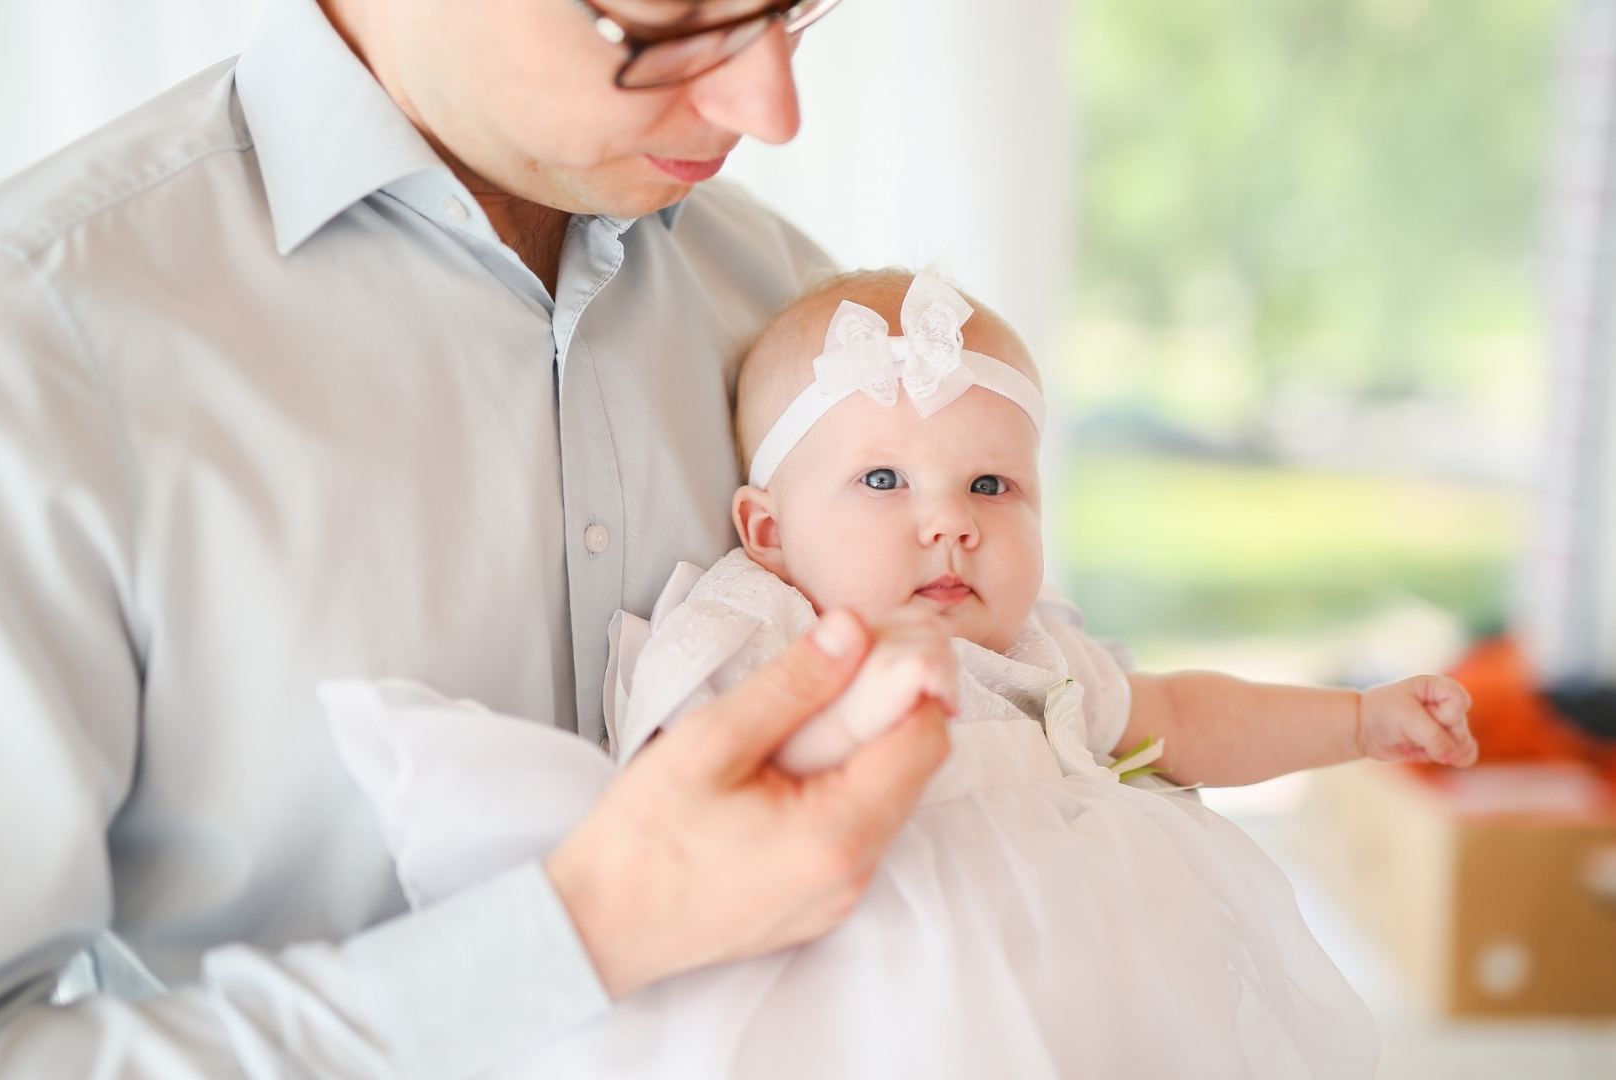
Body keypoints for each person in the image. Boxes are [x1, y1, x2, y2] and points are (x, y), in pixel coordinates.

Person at [0, 1, 960, 1077]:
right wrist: (581, 936)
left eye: (792, 8)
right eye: (671, 22)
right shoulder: (39, 340)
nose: (771, 108)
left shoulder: (803, 316)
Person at [316, 271, 1476, 1079]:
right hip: (880, 1024)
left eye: (990, 488)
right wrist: (863, 711)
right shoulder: (753, 630)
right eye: (883, 483)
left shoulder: (1037, 651)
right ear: (767, 528)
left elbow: (1182, 717)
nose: (948, 526)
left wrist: (1362, 721)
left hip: (1104, 1013)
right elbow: (687, 794)